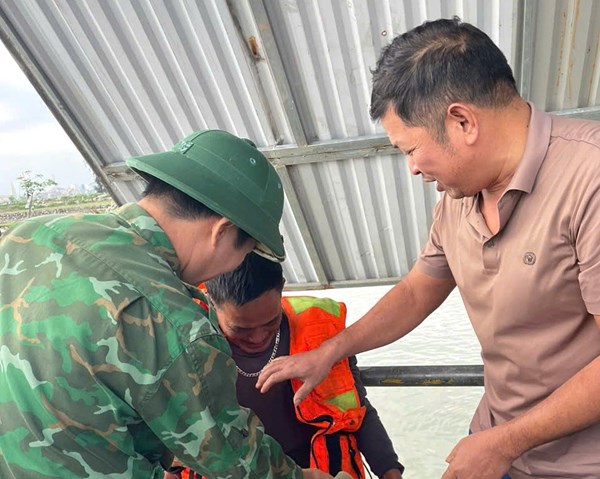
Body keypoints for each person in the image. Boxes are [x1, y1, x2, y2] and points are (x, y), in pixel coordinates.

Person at [257, 17, 600, 479]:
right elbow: (419, 290)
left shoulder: (589, 180)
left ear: (462, 122)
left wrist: (506, 443)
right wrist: (332, 349)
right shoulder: (459, 196)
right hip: (495, 436)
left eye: (410, 149)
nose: (413, 169)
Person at [0, 129, 331, 479]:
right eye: (245, 251)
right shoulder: (171, 320)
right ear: (221, 232)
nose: (236, 266)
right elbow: (237, 464)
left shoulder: (26, 237)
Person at [166, 253, 404, 479]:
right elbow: (166, 439)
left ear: (281, 287)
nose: (258, 337)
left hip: (322, 469)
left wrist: (389, 469)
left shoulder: (321, 327)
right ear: (211, 301)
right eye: (240, 329)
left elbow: (357, 408)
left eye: (271, 322)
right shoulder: (181, 346)